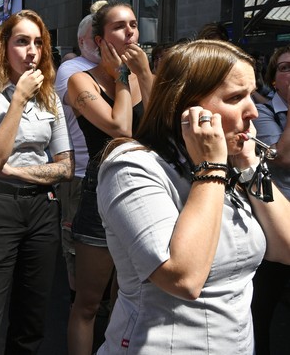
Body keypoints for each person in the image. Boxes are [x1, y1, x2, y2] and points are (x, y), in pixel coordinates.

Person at [95, 39, 290, 354]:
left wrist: (249, 164)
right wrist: (210, 169)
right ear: (187, 105)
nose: (253, 110)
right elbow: (183, 278)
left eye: (252, 95)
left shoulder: (233, 162)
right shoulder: (131, 166)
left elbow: (286, 245)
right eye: (236, 97)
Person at [0, 9, 74, 355]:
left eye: (39, 43)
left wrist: (16, 171)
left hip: (42, 208)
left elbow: (65, 166)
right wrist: (19, 98)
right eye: (22, 42)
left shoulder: (50, 97)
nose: (32, 51)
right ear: (3, 46)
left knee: (31, 319)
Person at [65, 0, 152, 355]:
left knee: (129, 297)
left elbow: (163, 124)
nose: (130, 31)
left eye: (133, 24)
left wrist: (144, 74)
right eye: (119, 26)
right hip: (100, 195)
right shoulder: (79, 80)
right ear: (99, 40)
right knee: (88, 302)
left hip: (143, 196)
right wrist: (122, 78)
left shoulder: (142, 75)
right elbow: (121, 128)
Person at [54, 11, 100, 307]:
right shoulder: (71, 69)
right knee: (77, 245)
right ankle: (77, 304)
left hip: (115, 173)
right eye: (97, 33)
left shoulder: (123, 70)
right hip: (80, 175)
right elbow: (108, 121)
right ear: (82, 40)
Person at [251, 45, 290, 355]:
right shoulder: (262, 113)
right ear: (274, 80)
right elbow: (283, 157)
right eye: (285, 68)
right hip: (275, 227)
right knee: (261, 311)